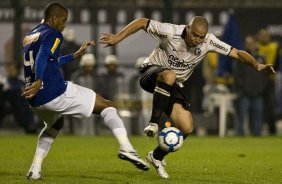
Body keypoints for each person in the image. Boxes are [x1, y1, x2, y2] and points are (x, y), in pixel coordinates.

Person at [100, 17, 275, 178]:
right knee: (169, 75)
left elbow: (236, 53)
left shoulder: (209, 41)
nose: (197, 40)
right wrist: (117, 37)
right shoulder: (170, 31)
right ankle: (153, 123)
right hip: (150, 73)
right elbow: (142, 22)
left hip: (173, 84)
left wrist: (257, 64)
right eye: (195, 35)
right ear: (188, 28)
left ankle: (156, 156)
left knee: (186, 127)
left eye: (201, 37)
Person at [22, 3, 148, 180]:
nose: (64, 25)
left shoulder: (30, 35)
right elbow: (43, 55)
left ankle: (35, 170)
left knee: (55, 124)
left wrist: (75, 55)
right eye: (64, 20)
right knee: (107, 106)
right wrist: (39, 80)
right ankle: (127, 148)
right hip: (54, 92)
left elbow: (52, 61)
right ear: (54, 18)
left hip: (35, 99)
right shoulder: (54, 33)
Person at [234, 36, 268, 136]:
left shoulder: (261, 57)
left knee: (258, 115)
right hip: (245, 92)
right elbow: (237, 75)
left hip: (258, 92)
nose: (250, 45)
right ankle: (240, 133)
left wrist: (261, 88)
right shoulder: (241, 57)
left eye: (252, 43)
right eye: (248, 43)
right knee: (242, 115)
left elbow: (265, 76)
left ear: (255, 44)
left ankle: (256, 134)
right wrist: (244, 88)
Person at [0, 62, 37, 133]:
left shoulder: (20, 81)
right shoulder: (4, 81)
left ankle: (29, 125)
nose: (11, 71)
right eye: (9, 69)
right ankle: (29, 125)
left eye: (13, 69)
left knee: (24, 104)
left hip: (17, 104)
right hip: (5, 103)